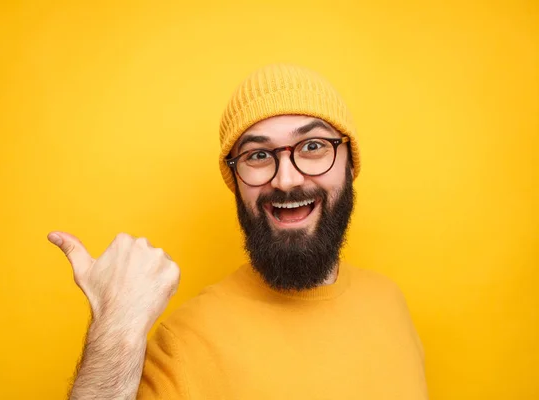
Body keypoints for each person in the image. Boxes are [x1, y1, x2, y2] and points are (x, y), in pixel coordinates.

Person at [48, 64, 428, 399]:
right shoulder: (185, 345)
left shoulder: (390, 302)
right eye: (258, 155)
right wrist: (117, 328)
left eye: (313, 146)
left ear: (350, 164)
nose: (287, 179)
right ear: (235, 180)